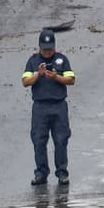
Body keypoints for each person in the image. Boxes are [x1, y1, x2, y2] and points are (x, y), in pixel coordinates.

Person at [22, 29, 76, 186]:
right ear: (39, 46)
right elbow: (25, 82)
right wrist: (38, 75)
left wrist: (56, 77)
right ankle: (41, 173)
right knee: (38, 140)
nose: (47, 52)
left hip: (59, 106)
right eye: (45, 49)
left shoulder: (61, 60)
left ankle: (62, 173)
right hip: (40, 107)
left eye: (50, 49)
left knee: (61, 140)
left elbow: (71, 79)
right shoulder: (33, 61)